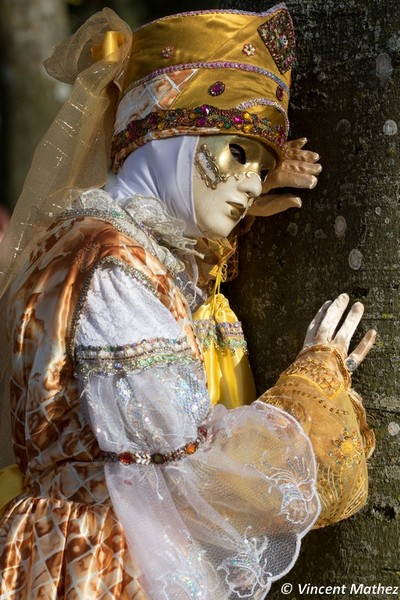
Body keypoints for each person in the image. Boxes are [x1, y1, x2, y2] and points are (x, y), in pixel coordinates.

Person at [0, 5, 376, 599]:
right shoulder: (115, 266)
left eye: (264, 163)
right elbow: (190, 465)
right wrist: (313, 390)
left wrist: (230, 221)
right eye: (236, 153)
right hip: (108, 562)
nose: (252, 182)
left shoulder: (84, 244)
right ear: (168, 135)